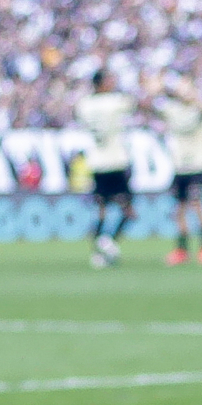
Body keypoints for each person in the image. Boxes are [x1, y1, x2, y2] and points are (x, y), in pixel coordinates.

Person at [76, 69, 136, 268]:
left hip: (97, 162)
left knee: (101, 210)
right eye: (110, 80)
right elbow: (134, 104)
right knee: (128, 211)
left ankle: (99, 253)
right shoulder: (114, 102)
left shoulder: (84, 105)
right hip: (116, 161)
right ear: (102, 83)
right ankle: (107, 243)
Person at [156, 79, 202, 265]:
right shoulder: (172, 110)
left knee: (197, 204)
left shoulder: (199, 110)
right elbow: (153, 106)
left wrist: (195, 98)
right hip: (180, 166)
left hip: (198, 165)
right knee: (180, 209)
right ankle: (182, 250)